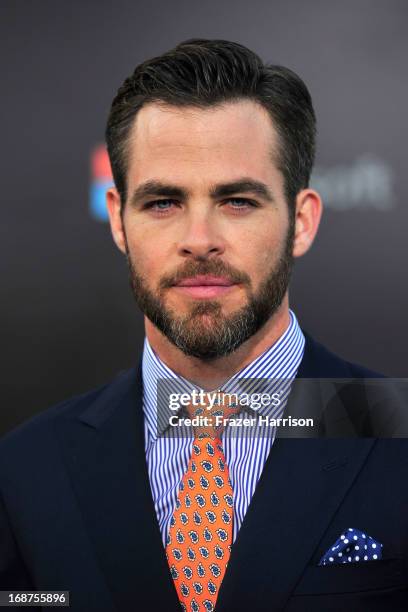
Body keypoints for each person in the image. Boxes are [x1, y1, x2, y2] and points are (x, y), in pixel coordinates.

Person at [0, 39, 407, 612]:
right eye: (163, 202)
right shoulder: (25, 470)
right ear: (119, 221)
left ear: (302, 222)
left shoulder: (398, 435)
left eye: (238, 201)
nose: (199, 239)